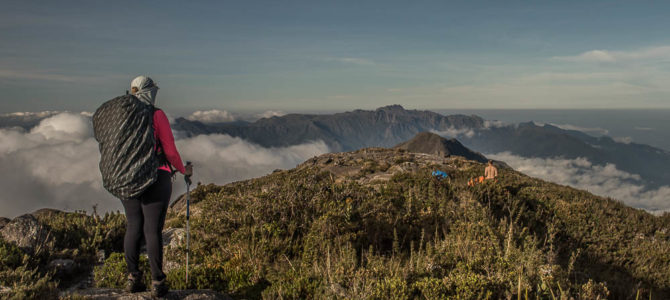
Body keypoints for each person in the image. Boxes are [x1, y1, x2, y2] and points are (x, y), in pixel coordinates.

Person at [123, 76, 193, 297]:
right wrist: (183, 170)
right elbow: (170, 151)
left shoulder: (123, 116)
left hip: (128, 178)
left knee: (133, 225)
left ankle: (133, 278)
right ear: (149, 92)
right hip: (155, 176)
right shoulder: (156, 114)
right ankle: (157, 282)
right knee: (152, 230)